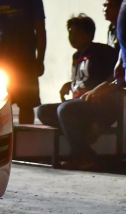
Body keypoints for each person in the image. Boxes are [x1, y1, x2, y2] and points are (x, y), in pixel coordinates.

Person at [37, 15, 119, 169]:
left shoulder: (102, 51)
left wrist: (99, 90)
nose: (72, 37)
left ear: (89, 34)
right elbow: (84, 78)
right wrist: (70, 84)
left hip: (101, 105)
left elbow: (117, 75)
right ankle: (86, 150)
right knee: (43, 111)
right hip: (79, 105)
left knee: (65, 109)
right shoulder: (77, 56)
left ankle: (81, 155)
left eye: (76, 33)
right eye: (70, 33)